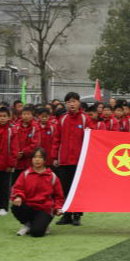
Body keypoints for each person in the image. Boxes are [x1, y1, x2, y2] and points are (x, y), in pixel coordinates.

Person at [54, 92, 94, 226]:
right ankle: (66, 215)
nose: (71, 104)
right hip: (64, 160)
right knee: (65, 188)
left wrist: (88, 158)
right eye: (69, 102)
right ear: (66, 104)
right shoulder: (62, 119)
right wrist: (54, 157)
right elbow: (56, 140)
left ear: (79, 103)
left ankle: (77, 215)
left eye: (74, 101)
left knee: (78, 189)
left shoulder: (85, 119)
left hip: (79, 161)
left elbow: (91, 139)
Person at [10, 148, 65, 237]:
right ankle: (27, 225)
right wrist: (18, 197)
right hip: (29, 207)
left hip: (45, 209)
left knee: (36, 233)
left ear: (44, 160)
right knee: (16, 206)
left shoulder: (52, 176)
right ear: (31, 159)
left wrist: (58, 208)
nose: (37, 160)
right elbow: (17, 189)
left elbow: (59, 196)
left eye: (40, 157)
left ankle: (41, 225)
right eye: (35, 157)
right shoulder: (25, 174)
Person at [0, 107, 15, 216]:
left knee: (4, 187)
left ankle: (4, 207)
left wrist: (11, 164)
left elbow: (14, 149)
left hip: (6, 165)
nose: (2, 118)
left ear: (9, 117)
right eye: (0, 116)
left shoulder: (12, 130)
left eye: (4, 116)